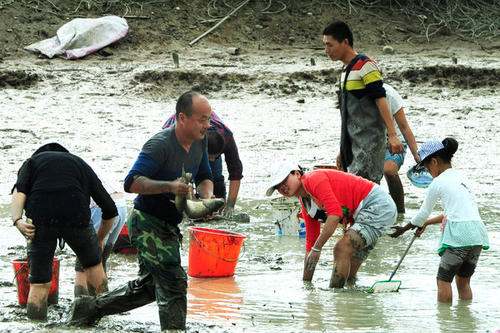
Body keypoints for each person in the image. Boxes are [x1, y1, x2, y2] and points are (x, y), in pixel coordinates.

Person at [69, 91, 215, 330]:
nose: (207, 125)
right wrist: (170, 186)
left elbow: (205, 176)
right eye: (202, 120)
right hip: (147, 221)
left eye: (208, 119)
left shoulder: (201, 141)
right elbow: (131, 182)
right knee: (173, 281)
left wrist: (206, 197)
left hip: (169, 224)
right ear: (182, 117)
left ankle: (90, 308)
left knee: (149, 287)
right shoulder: (159, 145)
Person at [11, 143, 117, 321]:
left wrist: (18, 221)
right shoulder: (79, 164)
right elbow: (110, 209)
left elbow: (19, 191)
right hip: (76, 216)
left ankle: (36, 326)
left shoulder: (31, 163)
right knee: (93, 268)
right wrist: (99, 238)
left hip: (41, 219)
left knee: (39, 284)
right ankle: (105, 321)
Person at [266, 162, 396, 288]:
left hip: (376, 205)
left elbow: (335, 215)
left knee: (341, 249)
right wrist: (306, 285)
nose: (282, 187)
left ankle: (336, 298)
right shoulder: (306, 203)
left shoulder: (314, 179)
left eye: (284, 181)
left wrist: (317, 249)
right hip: (362, 215)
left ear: (296, 174)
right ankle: (350, 300)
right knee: (349, 273)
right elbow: (310, 245)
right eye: (278, 187)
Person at [389, 138, 489, 303]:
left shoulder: (438, 182)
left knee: (443, 280)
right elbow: (453, 213)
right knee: (463, 282)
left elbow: (422, 213)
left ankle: (445, 323)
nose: (429, 173)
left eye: (427, 168)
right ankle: (465, 321)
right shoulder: (462, 178)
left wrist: (404, 229)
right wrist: (426, 224)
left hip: (459, 236)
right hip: (477, 234)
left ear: (434, 162)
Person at [322, 20, 403, 183]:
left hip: (369, 145)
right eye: (325, 45)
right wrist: (343, 149)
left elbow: (381, 99)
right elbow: (348, 115)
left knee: (364, 194)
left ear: (345, 42)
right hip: (353, 146)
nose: (326, 50)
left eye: (330, 45)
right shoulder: (345, 71)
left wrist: (392, 135)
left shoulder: (366, 66)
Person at [163, 111, 243, 218]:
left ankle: (214, 208)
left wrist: (229, 206)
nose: (212, 160)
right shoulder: (184, 140)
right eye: (209, 157)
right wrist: (188, 201)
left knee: (215, 176)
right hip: (177, 143)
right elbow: (181, 176)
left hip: (205, 137)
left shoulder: (227, 137)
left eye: (216, 157)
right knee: (183, 180)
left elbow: (236, 173)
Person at [74, 175, 128, 297]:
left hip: (100, 207)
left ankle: (80, 306)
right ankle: (103, 306)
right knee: (100, 263)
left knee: (85, 265)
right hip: (121, 204)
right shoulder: (79, 162)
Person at [382, 83, 420, 213]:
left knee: (389, 170)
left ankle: (399, 212)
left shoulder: (388, 94)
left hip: (394, 140)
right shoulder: (353, 90)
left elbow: (404, 127)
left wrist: (416, 154)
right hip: (368, 140)